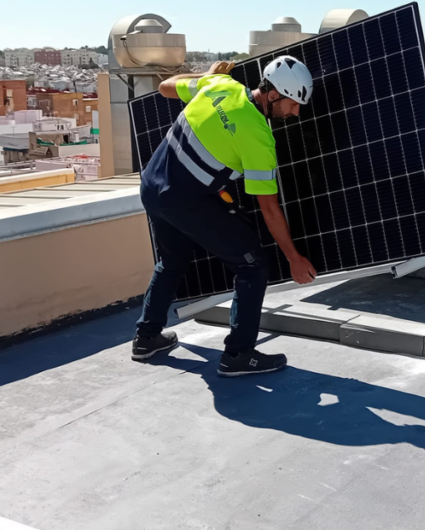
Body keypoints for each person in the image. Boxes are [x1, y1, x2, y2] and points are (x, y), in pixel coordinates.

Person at [131, 57, 317, 377]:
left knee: (171, 261)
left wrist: (204, 76)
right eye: (293, 103)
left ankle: (146, 338)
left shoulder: (219, 84)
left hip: (152, 187)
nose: (295, 112)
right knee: (252, 265)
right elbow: (269, 209)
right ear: (273, 96)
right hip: (184, 201)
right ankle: (238, 354)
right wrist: (293, 257)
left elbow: (164, 88)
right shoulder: (258, 137)